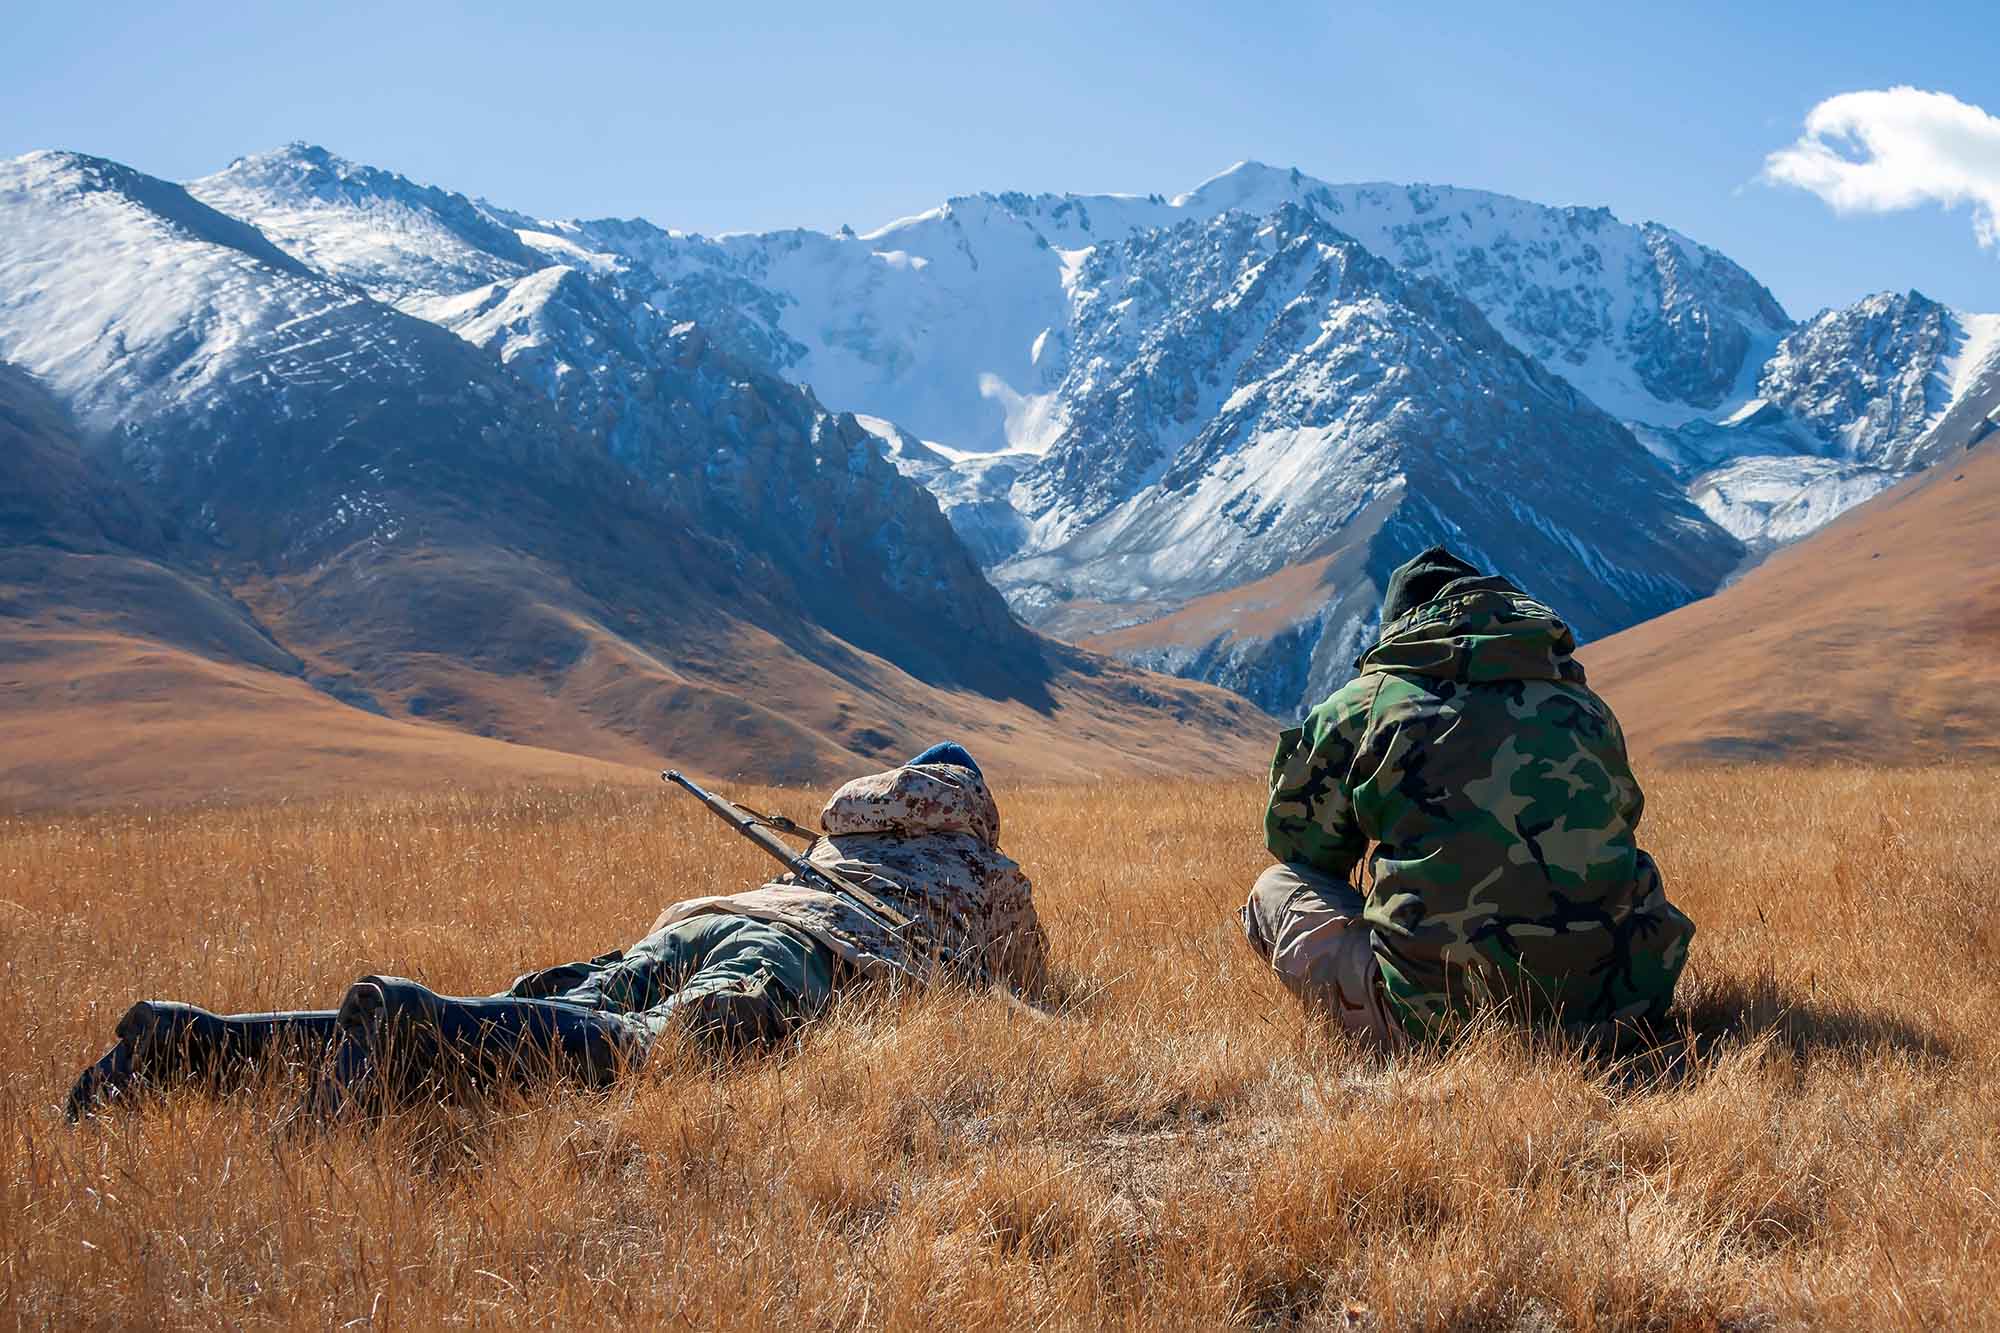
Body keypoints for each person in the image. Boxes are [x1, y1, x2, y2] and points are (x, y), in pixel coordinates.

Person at [67, 743, 1045, 1120]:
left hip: (712, 917)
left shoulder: (836, 842)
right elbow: (1030, 981)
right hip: (805, 954)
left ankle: (195, 1044)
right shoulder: (986, 870)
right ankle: (415, 1025)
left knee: (546, 1013)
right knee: (654, 1049)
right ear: (974, 806)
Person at [1239, 547, 1695, 1047]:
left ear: (1399, 628)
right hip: (1623, 1010)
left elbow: (1297, 846)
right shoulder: (1586, 706)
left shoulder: (1367, 705)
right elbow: (1624, 816)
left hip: (1442, 1024)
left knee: (1277, 887)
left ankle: (1405, 1018)